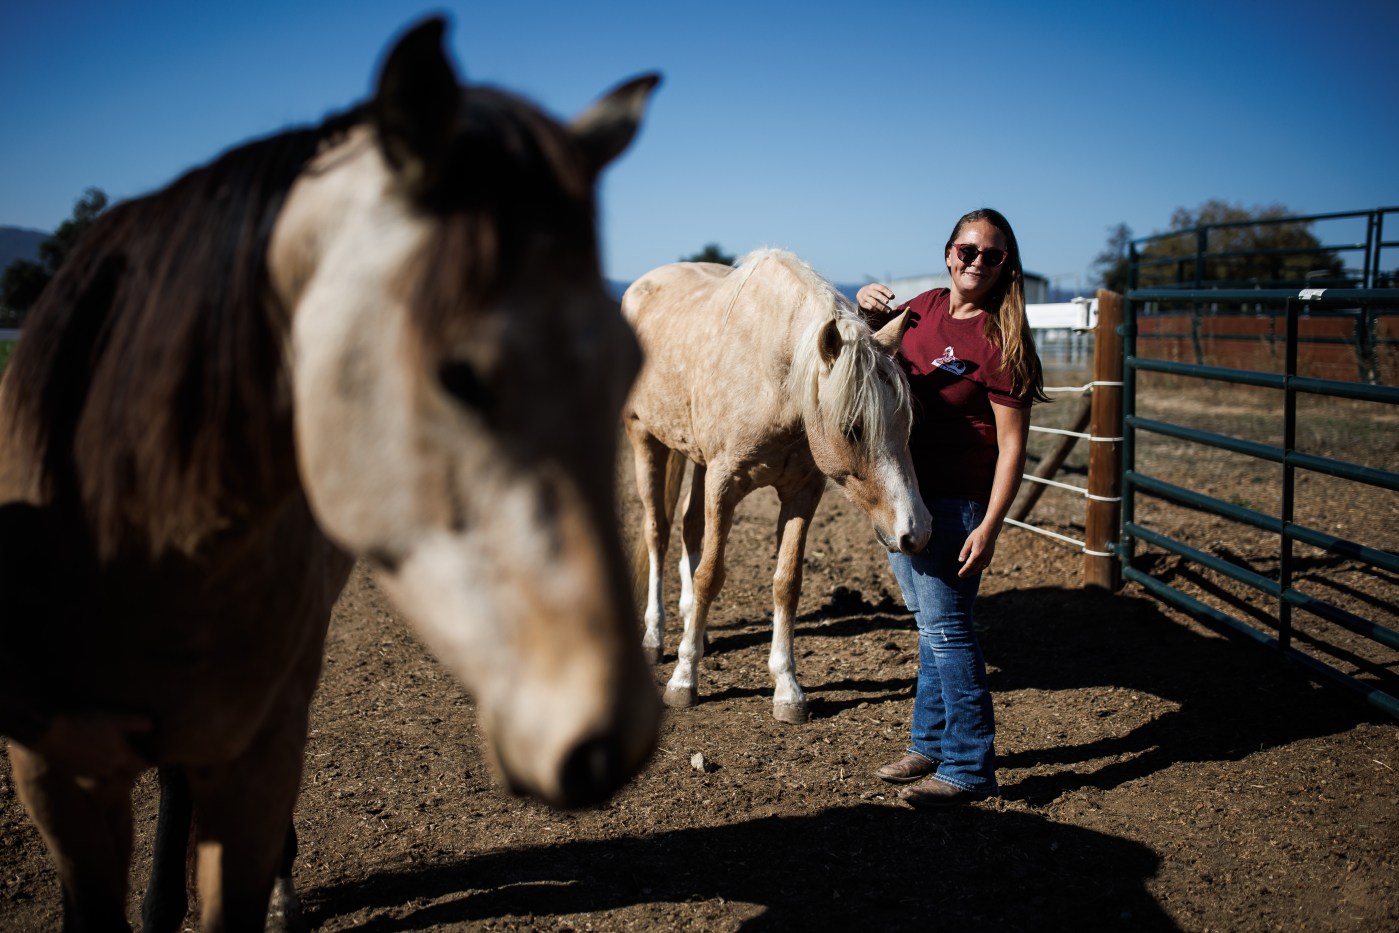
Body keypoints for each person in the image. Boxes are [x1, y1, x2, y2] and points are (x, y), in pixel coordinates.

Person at [857, 207, 1048, 808]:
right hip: (905, 496)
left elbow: (1013, 447)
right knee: (929, 628)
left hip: (957, 501)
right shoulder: (925, 307)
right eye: (968, 250)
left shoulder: (1000, 339)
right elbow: (871, 358)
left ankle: (970, 766)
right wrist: (864, 310)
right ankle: (930, 742)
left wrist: (990, 525)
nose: (976, 262)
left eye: (991, 256)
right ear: (948, 253)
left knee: (949, 632)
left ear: (1004, 266)